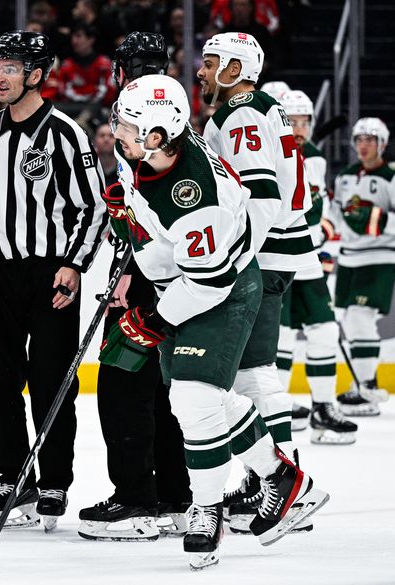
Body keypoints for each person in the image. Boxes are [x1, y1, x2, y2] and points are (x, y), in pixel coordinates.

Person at [101, 74, 328, 569]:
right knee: (204, 400)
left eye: (124, 123)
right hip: (184, 282)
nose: (114, 128)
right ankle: (284, 478)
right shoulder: (155, 149)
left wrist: (155, 317)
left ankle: (206, 510)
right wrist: (129, 213)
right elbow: (151, 212)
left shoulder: (195, 199)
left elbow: (210, 283)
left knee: (192, 397)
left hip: (220, 290)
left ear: (156, 137)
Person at [0, 30, 106, 531]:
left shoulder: (65, 132)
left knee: (50, 382)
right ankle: (15, 478)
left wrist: (74, 264)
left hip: (51, 273)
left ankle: (55, 480)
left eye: (11, 68)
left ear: (36, 75)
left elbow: (94, 207)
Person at [198, 32, 318, 532]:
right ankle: (266, 477)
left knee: (254, 369)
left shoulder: (241, 110)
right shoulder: (258, 107)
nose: (201, 72)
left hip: (261, 254)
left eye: (210, 63)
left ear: (235, 68)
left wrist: (234, 254)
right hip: (274, 250)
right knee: (250, 368)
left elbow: (264, 195)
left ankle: (286, 483)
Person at [78, 31, 191, 544]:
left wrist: (127, 269)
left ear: (120, 70)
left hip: (146, 272)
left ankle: (136, 500)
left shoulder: (133, 115)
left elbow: (145, 213)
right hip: (176, 274)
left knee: (123, 385)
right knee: (162, 389)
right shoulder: (176, 112)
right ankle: (172, 495)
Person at [275, 89, 358, 444]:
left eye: (304, 121)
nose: (299, 127)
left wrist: (322, 228)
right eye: (292, 121)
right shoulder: (274, 154)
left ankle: (322, 409)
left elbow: (316, 208)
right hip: (280, 256)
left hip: (308, 259)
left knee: (324, 329)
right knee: (281, 338)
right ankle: (277, 410)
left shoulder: (316, 157)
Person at [331, 117, 395, 416]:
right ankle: (362, 385)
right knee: (348, 320)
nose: (363, 145)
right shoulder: (344, 176)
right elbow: (335, 218)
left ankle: (368, 386)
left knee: (360, 317)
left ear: (382, 143)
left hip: (379, 258)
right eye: (359, 139)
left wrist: (378, 220)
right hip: (347, 258)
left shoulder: (390, 176)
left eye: (370, 139)